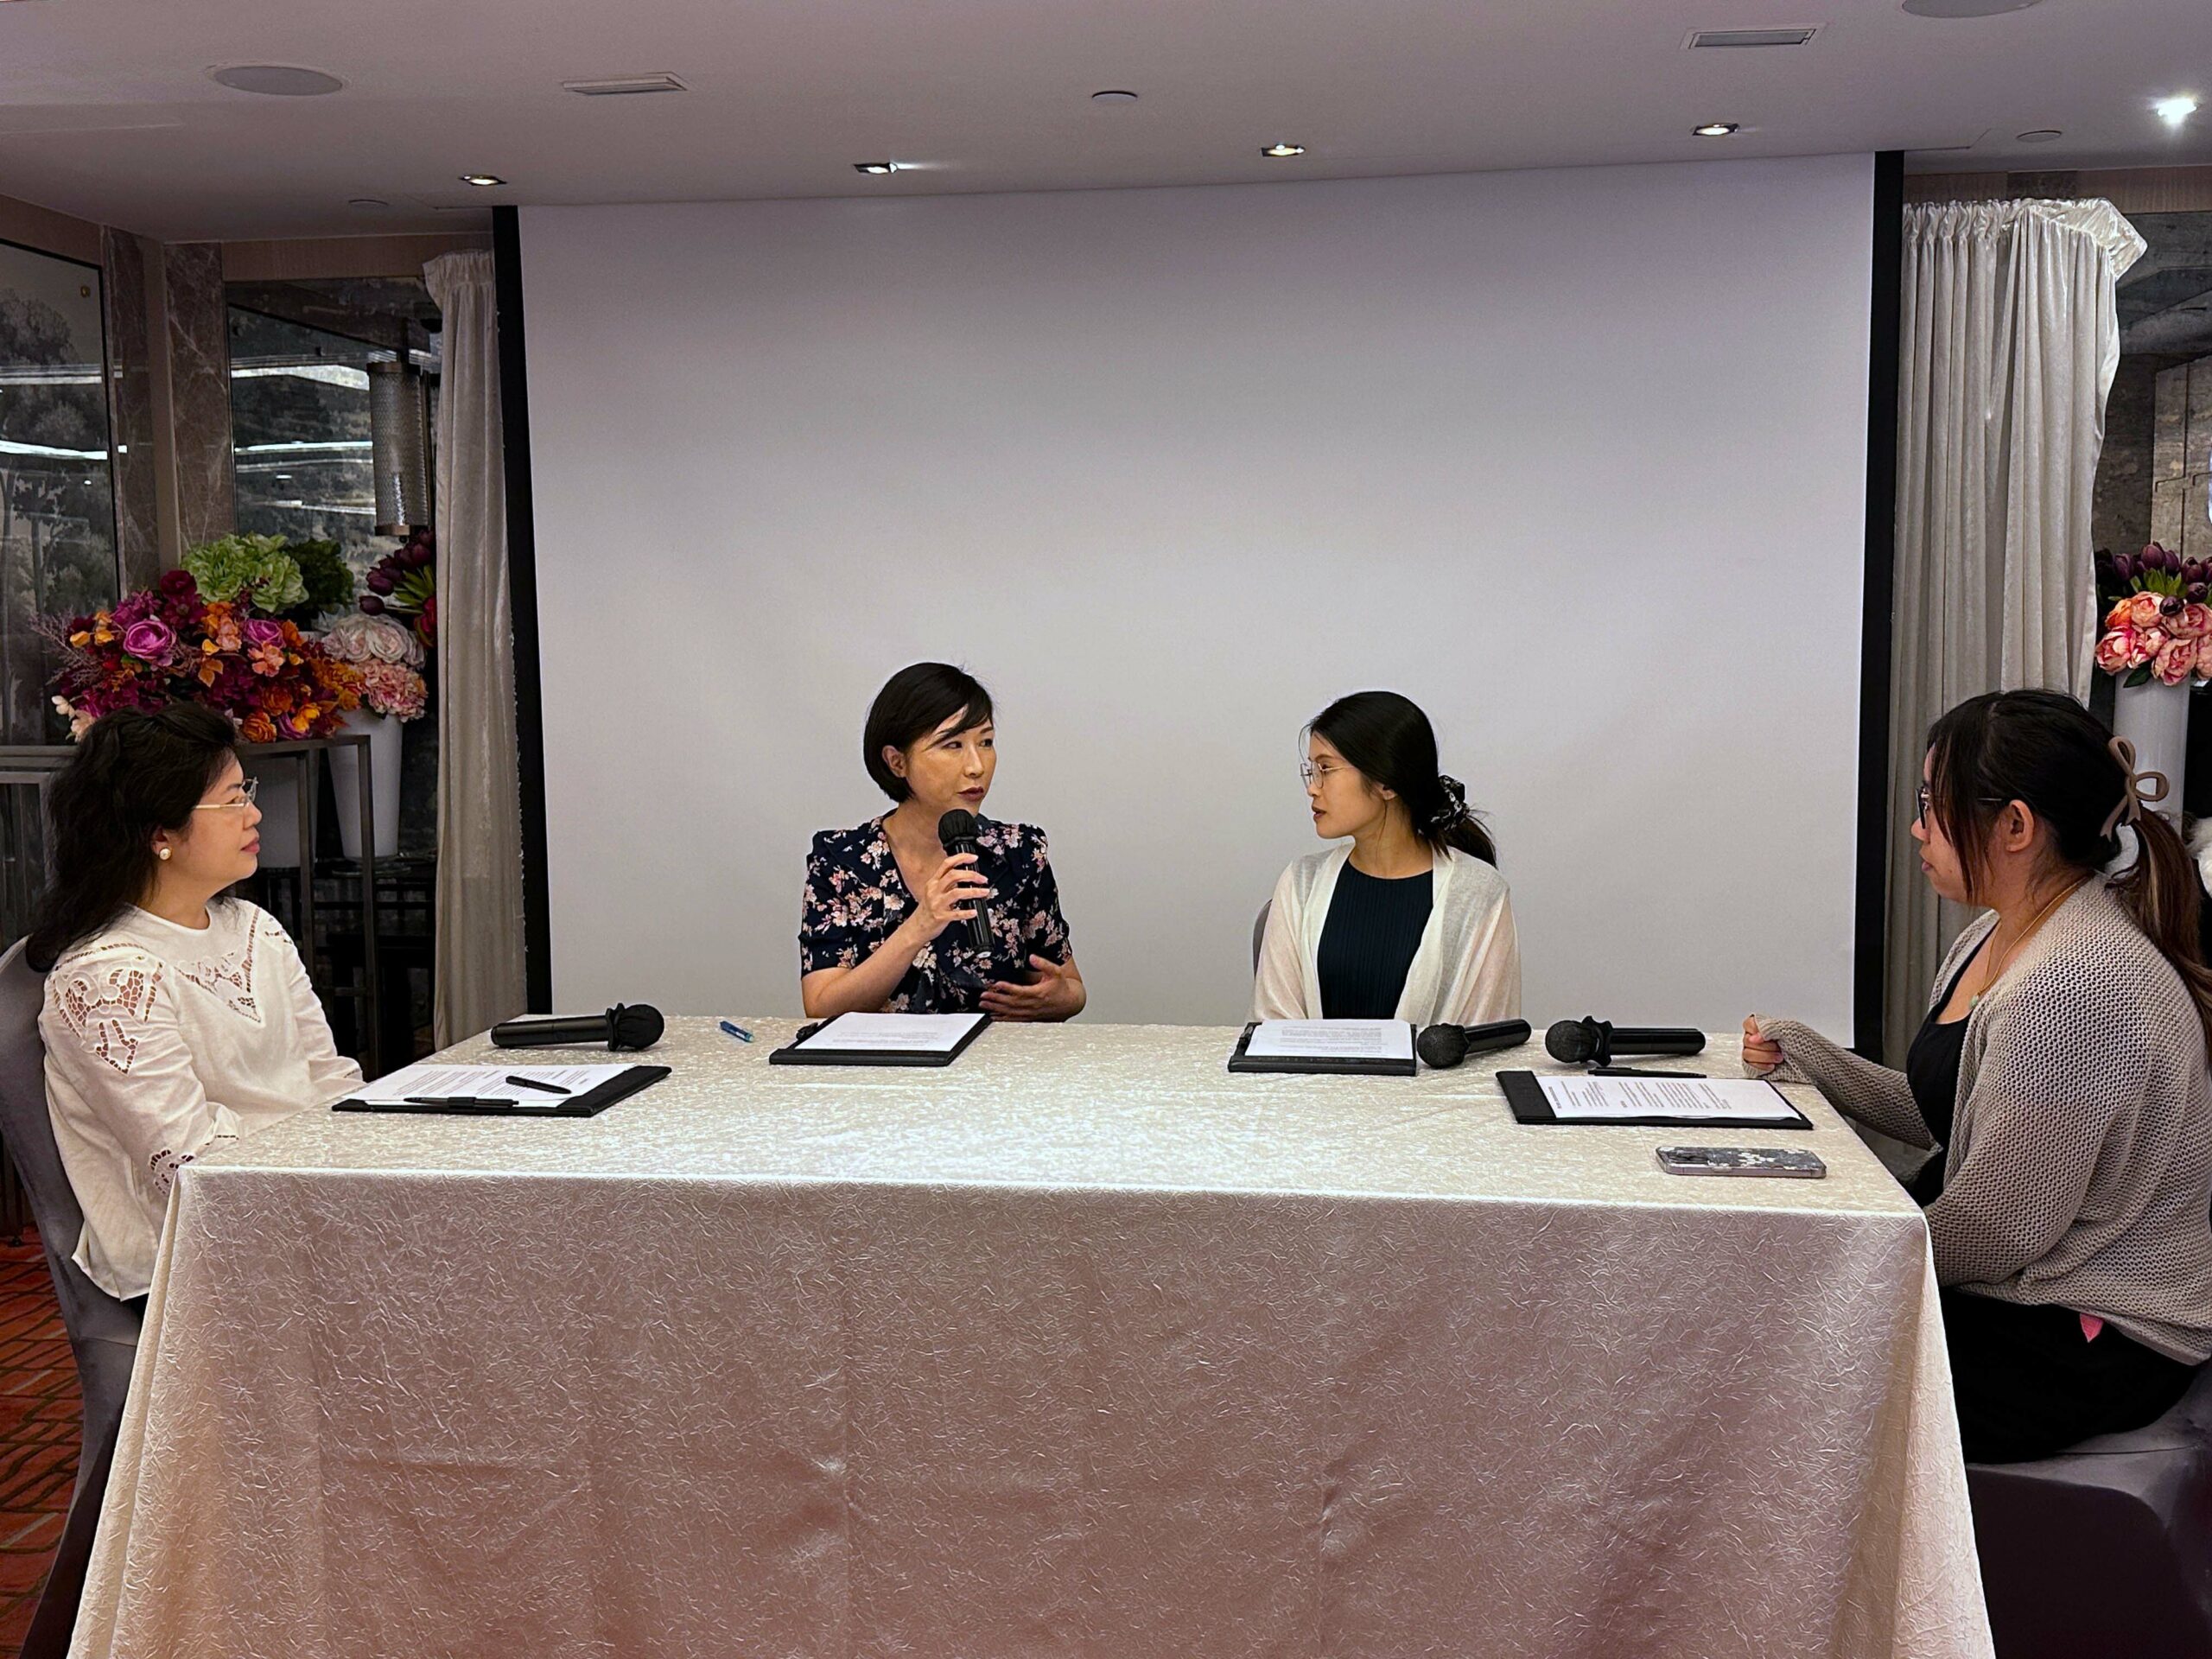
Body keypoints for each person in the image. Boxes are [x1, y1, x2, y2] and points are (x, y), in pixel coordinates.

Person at [1745, 690, 2212, 1462]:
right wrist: (1807, 1053)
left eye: (1933, 805)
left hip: (2090, 1335)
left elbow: (1999, 1230)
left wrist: (1836, 1257)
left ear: (2017, 826)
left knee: (1774, 1358)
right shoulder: (2001, 934)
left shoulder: (2071, 987)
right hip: (2029, 1292)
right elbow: (1948, 1117)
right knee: (1766, 1322)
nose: (1918, 829)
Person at [29, 705, 363, 1303]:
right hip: (189, 1251)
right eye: (233, 799)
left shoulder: (252, 928)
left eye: (247, 792)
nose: (254, 813)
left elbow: (330, 1079)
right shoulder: (107, 978)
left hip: (302, 1197)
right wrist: (325, 1163)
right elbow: (189, 1163)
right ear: (160, 834)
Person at [799, 663, 1084, 1020]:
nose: (977, 765)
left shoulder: (1019, 853)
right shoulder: (841, 861)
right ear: (896, 762)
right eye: (952, 745)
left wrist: (1060, 1000)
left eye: (986, 742)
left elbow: (1071, 989)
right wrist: (921, 924)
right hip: (884, 1072)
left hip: (996, 1070)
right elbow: (821, 1007)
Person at [1253, 690, 1519, 1024]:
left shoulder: (1478, 894)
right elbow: (1273, 1028)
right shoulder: (1300, 884)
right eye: (1311, 771)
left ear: (1386, 783)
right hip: (1310, 1078)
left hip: (1438, 1080)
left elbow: (1483, 1041)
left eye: (1326, 769)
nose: (1312, 787)